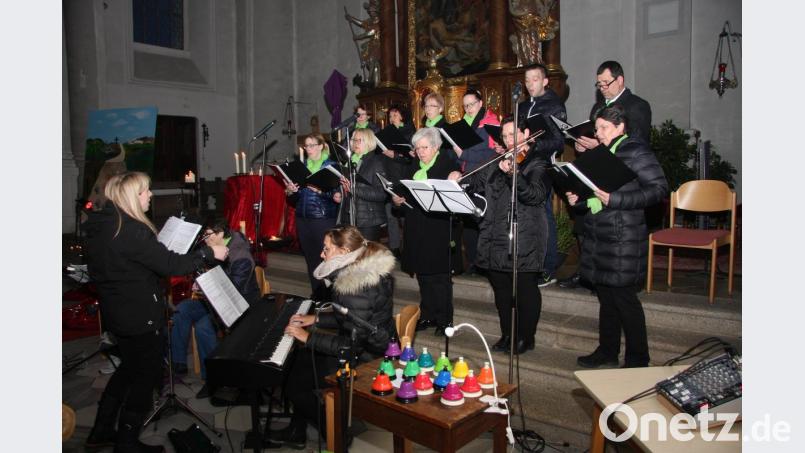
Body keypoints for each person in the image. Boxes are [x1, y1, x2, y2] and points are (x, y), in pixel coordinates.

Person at [84, 172, 228, 452]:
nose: (150, 195)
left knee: (127, 370)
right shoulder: (131, 229)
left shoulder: (103, 225)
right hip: (139, 315)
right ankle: (126, 443)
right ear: (132, 196)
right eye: (146, 191)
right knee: (145, 377)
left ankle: (101, 430)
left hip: (118, 312)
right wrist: (210, 254)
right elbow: (171, 266)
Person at [271, 226, 397, 448]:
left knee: (294, 383)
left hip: (368, 359)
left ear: (343, 251)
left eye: (326, 249)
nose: (321, 254)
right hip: (368, 346)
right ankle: (297, 430)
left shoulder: (355, 287)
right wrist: (316, 320)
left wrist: (307, 338)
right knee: (296, 364)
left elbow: (351, 346)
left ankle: (335, 432)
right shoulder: (360, 269)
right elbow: (349, 320)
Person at [566, 105, 667, 369]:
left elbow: (658, 189)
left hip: (624, 235)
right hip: (600, 233)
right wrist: (578, 199)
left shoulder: (635, 150)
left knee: (625, 300)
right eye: (596, 128)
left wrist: (616, 199)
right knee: (606, 297)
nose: (598, 134)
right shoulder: (602, 153)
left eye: (603, 128)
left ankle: (637, 359)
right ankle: (607, 351)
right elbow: (593, 193)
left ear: (621, 126)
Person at [450, 117, 548, 354]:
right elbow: (475, 180)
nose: (508, 140)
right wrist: (459, 179)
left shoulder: (537, 162)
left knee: (524, 289)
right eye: (504, 136)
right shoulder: (497, 160)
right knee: (502, 290)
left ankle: (526, 336)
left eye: (513, 134)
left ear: (526, 133)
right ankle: (508, 334)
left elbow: (535, 196)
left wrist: (515, 174)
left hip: (523, 233)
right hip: (494, 233)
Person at [559, 60, 652, 289]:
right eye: (598, 84)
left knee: (616, 237)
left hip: (623, 179)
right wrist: (581, 146)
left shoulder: (637, 106)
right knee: (585, 224)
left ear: (620, 80)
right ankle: (587, 271)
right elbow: (593, 137)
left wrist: (596, 146)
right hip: (597, 171)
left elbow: (635, 143)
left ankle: (616, 279)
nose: (602, 88)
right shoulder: (597, 108)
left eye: (606, 83)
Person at [170, 218, 260, 399]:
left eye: (208, 234)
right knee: (182, 309)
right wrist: (201, 280)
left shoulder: (240, 255)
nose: (205, 238)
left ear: (220, 234)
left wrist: (206, 285)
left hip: (238, 304)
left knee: (204, 327)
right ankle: (178, 363)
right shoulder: (215, 247)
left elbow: (234, 291)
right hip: (213, 299)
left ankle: (213, 379)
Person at [392, 127, 461, 336]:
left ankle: (445, 320)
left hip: (438, 228)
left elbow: (454, 200)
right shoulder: (412, 165)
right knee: (423, 275)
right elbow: (403, 195)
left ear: (436, 147)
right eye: (418, 148)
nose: (420, 152)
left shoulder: (448, 165)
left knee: (440, 277)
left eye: (425, 147)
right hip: (416, 226)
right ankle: (429, 314)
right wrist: (398, 200)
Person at [517, 63, 567, 287]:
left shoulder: (554, 105)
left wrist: (534, 143)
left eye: (535, 79)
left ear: (545, 81)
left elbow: (559, 141)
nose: (530, 84)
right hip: (522, 164)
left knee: (543, 216)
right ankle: (528, 263)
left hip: (542, 166)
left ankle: (548, 267)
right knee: (525, 217)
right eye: (527, 80)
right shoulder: (523, 105)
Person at [285, 133, 341, 299]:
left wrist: (322, 191)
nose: (308, 149)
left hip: (323, 218)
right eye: (306, 146)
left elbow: (337, 195)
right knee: (311, 259)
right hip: (303, 218)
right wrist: (290, 191)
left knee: (328, 259)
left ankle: (332, 296)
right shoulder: (301, 167)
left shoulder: (331, 166)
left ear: (321, 146)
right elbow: (294, 199)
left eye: (311, 145)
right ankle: (317, 294)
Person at [454, 88, 500, 273]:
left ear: (481, 103)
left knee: (483, 222)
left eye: (472, 104)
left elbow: (489, 153)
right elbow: (458, 157)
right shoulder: (465, 124)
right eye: (465, 106)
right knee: (469, 223)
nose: (469, 108)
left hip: (483, 177)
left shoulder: (490, 122)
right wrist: (458, 154)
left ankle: (485, 264)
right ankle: (473, 262)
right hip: (467, 176)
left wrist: (463, 153)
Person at [337, 128, 389, 242]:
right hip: (348, 217)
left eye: (359, 140)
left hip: (368, 220)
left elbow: (382, 194)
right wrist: (340, 193)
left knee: (366, 258)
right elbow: (345, 186)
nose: (355, 143)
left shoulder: (376, 162)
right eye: (354, 140)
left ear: (369, 142)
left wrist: (354, 189)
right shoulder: (349, 162)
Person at [380, 105, 415, 258]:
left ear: (402, 116)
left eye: (395, 114)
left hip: (403, 178)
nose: (391, 117)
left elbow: (410, 159)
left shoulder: (410, 132)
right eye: (390, 115)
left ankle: (408, 248)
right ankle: (394, 248)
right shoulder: (386, 132)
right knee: (390, 216)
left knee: (404, 217)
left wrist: (393, 155)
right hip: (388, 176)